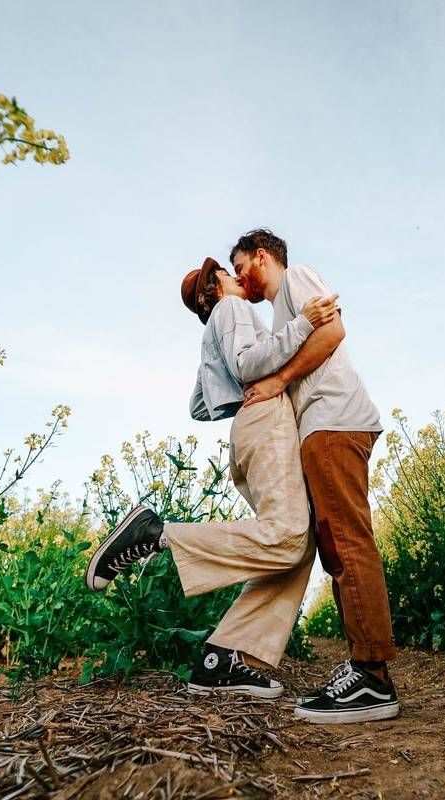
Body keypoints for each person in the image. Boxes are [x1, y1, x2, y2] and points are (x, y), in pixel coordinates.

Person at [85, 256, 338, 698]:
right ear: (214, 290)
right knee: (287, 537)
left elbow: (199, 406)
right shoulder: (234, 310)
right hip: (267, 421)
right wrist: (300, 326)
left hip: (248, 428)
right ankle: (154, 534)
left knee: (294, 550)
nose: (237, 276)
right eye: (227, 273)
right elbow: (247, 365)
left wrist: (236, 399)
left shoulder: (214, 327)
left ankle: (226, 657)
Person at [232, 228, 400, 724]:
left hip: (334, 421)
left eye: (242, 268)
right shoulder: (282, 314)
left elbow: (333, 332)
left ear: (262, 256)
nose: (242, 281)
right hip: (320, 427)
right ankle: (366, 667)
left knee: (346, 542)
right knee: (334, 544)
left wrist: (280, 379)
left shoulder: (296, 280)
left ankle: (371, 675)